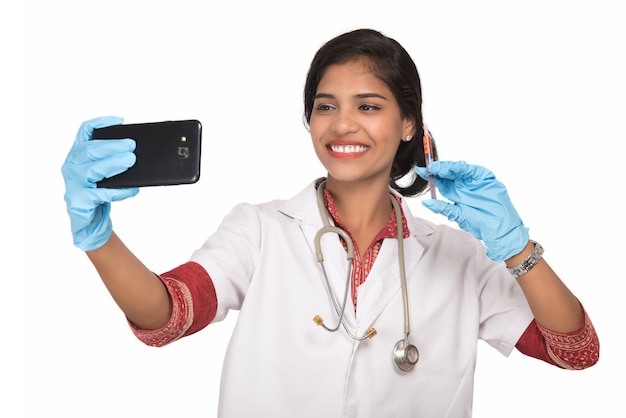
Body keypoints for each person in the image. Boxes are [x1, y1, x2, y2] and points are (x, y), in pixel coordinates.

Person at [61, 28, 599, 417]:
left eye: (368, 106)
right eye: (325, 106)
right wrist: (98, 238)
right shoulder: (260, 229)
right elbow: (167, 316)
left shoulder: (460, 257)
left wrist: (515, 247)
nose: (342, 124)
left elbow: (574, 351)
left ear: (408, 122)